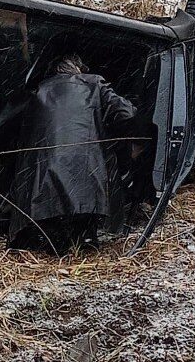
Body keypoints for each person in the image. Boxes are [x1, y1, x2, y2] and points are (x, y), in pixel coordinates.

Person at [8, 53, 138, 254]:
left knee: (54, 239)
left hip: (44, 178)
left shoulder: (38, 90)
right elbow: (127, 113)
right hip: (85, 173)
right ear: (77, 68)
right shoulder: (94, 83)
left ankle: (59, 242)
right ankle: (84, 238)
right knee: (84, 236)